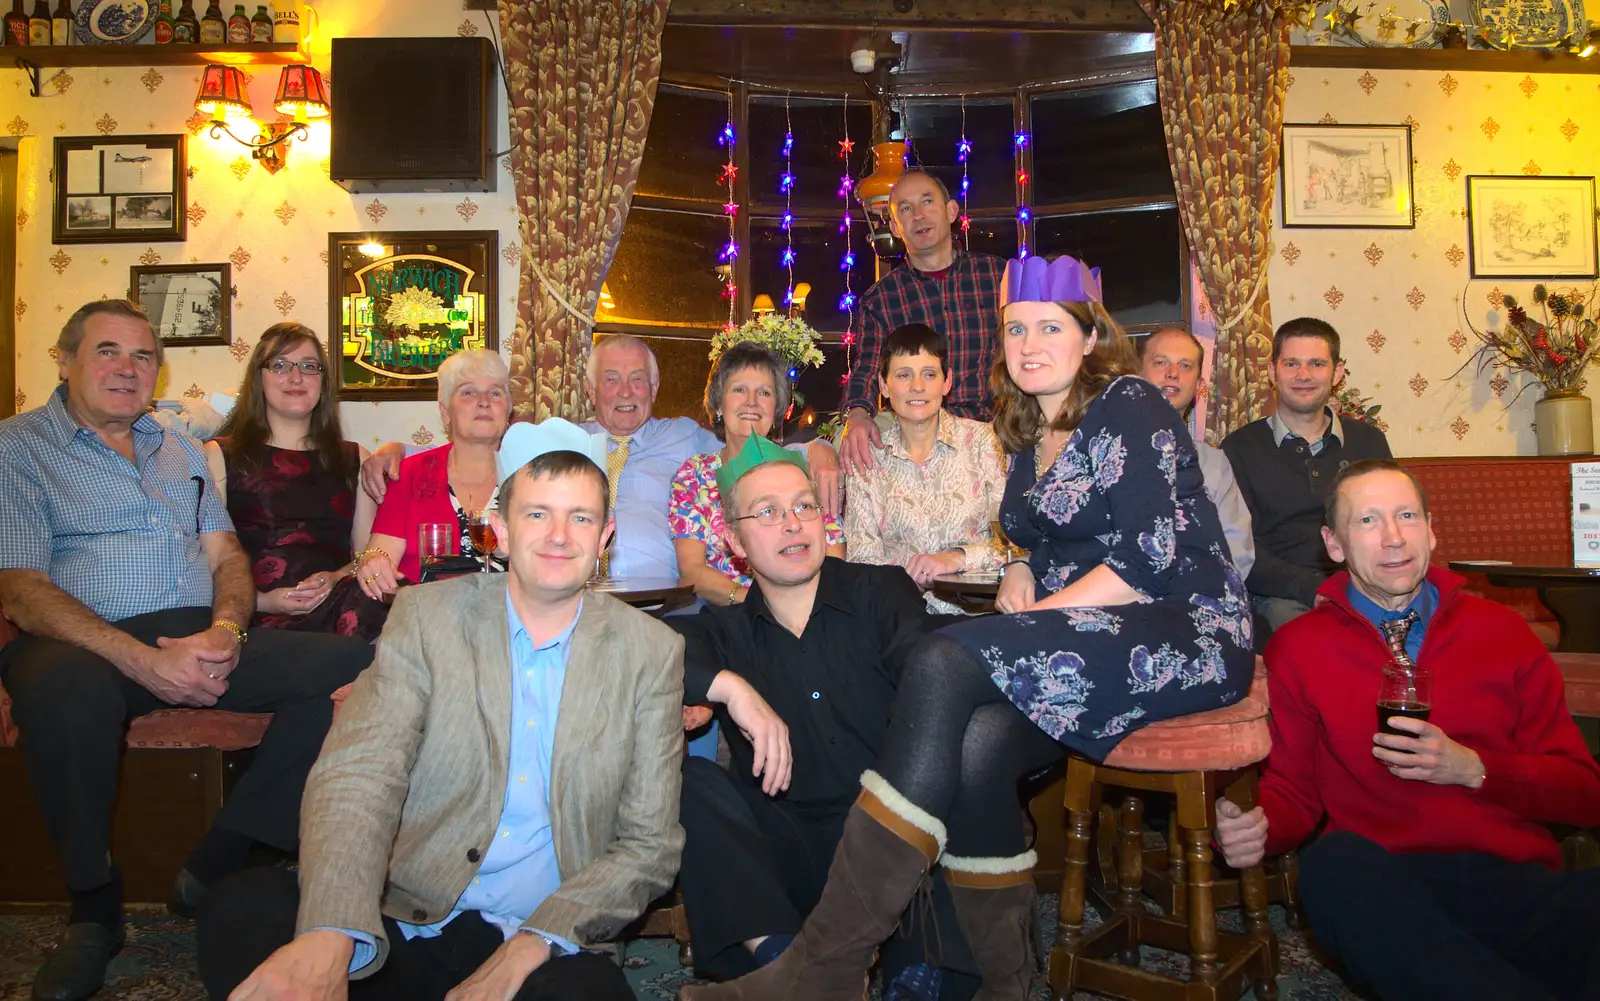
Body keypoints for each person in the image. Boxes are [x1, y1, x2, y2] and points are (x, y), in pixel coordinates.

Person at [680, 255, 1254, 1001]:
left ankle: (823, 967)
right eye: (1016, 328)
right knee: (979, 751)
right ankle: (1001, 983)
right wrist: (1021, 572)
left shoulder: (1129, 400)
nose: (1029, 342)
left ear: (1090, 336)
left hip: (1185, 630)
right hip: (1093, 635)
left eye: (1051, 326)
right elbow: (1041, 542)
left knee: (944, 658)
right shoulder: (1021, 427)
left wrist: (1041, 611)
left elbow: (1145, 560)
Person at [196, 418, 686, 1001]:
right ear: (498, 530)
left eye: (580, 517)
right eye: (537, 514)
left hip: (541, 935)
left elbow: (648, 844)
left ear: (604, 537)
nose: (559, 535)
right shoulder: (427, 618)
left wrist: (534, 944)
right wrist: (333, 933)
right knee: (242, 910)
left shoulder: (651, 651)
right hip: (406, 914)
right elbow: (358, 773)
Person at [0, 300, 373, 1001]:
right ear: (65, 359)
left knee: (353, 664)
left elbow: (227, 555)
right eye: (108, 351)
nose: (127, 368)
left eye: (143, 356)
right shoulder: (17, 446)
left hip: (196, 629)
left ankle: (223, 851)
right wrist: (141, 659)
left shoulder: (176, 447)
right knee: (60, 688)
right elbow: (20, 587)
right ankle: (92, 908)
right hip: (78, 641)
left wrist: (227, 633)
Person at [1213, 458, 1600, 1001]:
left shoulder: (1504, 634)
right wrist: (1256, 827)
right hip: (1391, 889)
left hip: (1515, 882)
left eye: (1407, 516)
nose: (1393, 537)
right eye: (1368, 521)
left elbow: (1585, 794)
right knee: (1330, 869)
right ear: (1335, 544)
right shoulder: (1300, 650)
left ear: (1431, 529)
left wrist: (1477, 769)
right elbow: (1294, 793)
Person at [672, 435, 978, 1000]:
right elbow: (647, 649)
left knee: (940, 815)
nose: (792, 524)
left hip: (890, 840)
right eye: (767, 513)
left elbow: (933, 680)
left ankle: (916, 976)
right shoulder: (726, 632)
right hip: (786, 852)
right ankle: (788, 962)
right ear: (733, 541)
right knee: (691, 782)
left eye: (803, 506)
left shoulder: (879, 591)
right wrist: (731, 689)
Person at [358, 333, 842, 579]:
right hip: (577, 596)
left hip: (668, 604)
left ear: (654, 388)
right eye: (611, 379)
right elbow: (480, 443)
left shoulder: (687, 439)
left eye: (638, 380)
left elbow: (751, 441)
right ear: (591, 391)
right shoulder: (561, 438)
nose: (625, 391)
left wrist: (817, 447)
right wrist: (397, 449)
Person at [204, 323, 388, 642]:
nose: (296, 377)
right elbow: (206, 563)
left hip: (341, 613)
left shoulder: (356, 458)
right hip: (252, 620)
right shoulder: (220, 455)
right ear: (258, 380)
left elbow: (364, 557)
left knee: (401, 602)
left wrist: (335, 578)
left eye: (308, 366)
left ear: (323, 382)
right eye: (279, 365)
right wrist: (264, 601)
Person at [1221, 317, 1391, 638]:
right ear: (1273, 372)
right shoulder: (1239, 449)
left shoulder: (1369, 442)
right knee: (1318, 642)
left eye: (1316, 363)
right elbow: (1239, 551)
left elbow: (1391, 525)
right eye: (1291, 364)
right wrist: (1313, 587)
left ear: (1337, 373)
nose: (1303, 375)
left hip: (1365, 584)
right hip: (1280, 595)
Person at [840, 170, 1007, 474]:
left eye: (927, 202)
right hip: (920, 438)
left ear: (951, 211)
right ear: (894, 226)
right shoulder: (882, 299)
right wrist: (857, 416)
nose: (918, 215)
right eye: (905, 208)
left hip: (999, 432)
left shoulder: (998, 277)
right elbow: (866, 369)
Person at [844, 322, 1006, 613]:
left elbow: (1013, 546)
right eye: (903, 375)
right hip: (900, 619)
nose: (917, 386)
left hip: (979, 616)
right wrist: (906, 581)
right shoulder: (867, 459)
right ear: (883, 384)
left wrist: (958, 557)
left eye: (929, 374)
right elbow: (861, 564)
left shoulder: (984, 442)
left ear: (946, 382)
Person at [670, 341, 845, 606]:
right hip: (726, 614)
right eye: (739, 390)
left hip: (806, 610)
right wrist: (754, 604)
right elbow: (691, 572)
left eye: (764, 392)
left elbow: (834, 562)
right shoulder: (694, 476)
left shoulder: (804, 470)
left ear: (776, 410)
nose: (751, 402)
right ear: (719, 404)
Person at [359, 349, 512, 599]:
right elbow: (380, 553)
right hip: (424, 619)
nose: (484, 401)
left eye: (495, 393)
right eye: (468, 392)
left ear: (508, 411)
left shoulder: (532, 476)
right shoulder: (410, 473)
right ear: (445, 412)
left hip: (509, 622)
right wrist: (374, 563)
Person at [1137, 325, 1255, 580]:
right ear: (1135, 374)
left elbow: (1238, 553)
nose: (1172, 374)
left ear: (1199, 386)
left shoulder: (1213, 464)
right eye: (1160, 362)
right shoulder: (1103, 452)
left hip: (1198, 601)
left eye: (1186, 366)